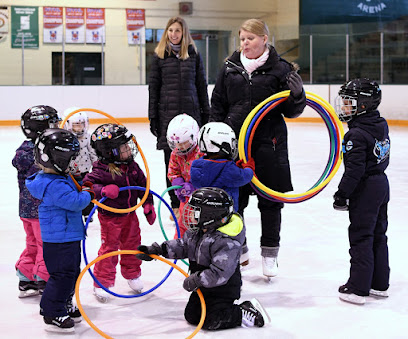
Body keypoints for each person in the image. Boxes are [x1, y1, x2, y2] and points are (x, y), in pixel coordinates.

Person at [210, 18, 306, 278]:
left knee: (271, 203)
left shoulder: (281, 70)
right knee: (234, 203)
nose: (245, 43)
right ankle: (239, 248)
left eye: (250, 38)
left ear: (265, 39)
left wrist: (297, 97)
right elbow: (218, 103)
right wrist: (214, 135)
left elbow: (291, 111)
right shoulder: (229, 68)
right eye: (242, 39)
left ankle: (270, 254)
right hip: (235, 147)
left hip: (269, 146)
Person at [136, 187, 270, 330]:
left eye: (195, 212)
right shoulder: (199, 230)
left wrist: (197, 279)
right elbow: (183, 246)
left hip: (222, 288)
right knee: (192, 315)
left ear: (209, 215)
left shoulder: (226, 242)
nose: (190, 215)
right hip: (203, 285)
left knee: (213, 320)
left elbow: (220, 273)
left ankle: (242, 312)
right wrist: (157, 250)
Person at [26, 128, 93, 333]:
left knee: (72, 273)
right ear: (57, 160)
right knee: (62, 275)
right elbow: (74, 202)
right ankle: (52, 312)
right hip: (59, 240)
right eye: (70, 159)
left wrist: (83, 184)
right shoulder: (52, 185)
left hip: (67, 236)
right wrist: (90, 193)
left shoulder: (59, 179)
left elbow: (73, 191)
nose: (73, 163)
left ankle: (63, 303)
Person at [83, 123, 156, 303]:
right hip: (110, 217)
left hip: (130, 215)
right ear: (109, 152)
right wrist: (103, 190)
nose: (129, 150)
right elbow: (87, 186)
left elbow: (142, 185)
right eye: (123, 148)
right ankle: (102, 282)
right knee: (110, 249)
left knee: (133, 245)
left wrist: (147, 204)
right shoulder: (101, 170)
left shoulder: (132, 166)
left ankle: (132, 274)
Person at [333, 78, 390, 305]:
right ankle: (379, 284)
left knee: (361, 236)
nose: (344, 107)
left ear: (363, 105)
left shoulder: (355, 135)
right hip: (381, 185)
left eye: (349, 103)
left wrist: (342, 194)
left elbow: (354, 171)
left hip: (365, 189)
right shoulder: (380, 124)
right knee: (378, 234)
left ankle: (358, 288)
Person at [148, 16, 210, 221]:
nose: (174, 34)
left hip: (192, 115)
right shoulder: (159, 56)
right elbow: (154, 89)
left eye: (178, 31)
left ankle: (197, 199)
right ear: (166, 33)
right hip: (168, 116)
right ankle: (176, 204)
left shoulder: (193, 55)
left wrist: (206, 114)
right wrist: (153, 118)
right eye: (171, 30)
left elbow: (201, 85)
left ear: (184, 34)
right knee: (171, 163)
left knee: (196, 160)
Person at [190, 122, 255, 264]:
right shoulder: (227, 168)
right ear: (222, 145)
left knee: (208, 243)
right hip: (225, 217)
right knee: (230, 241)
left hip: (204, 217)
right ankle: (233, 263)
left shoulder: (197, 165)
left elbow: (214, 170)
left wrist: (234, 167)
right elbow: (243, 177)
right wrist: (249, 168)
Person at [13, 105, 60, 298]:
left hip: (26, 210)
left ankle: (26, 277)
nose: (57, 126)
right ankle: (44, 279)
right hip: (40, 211)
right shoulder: (39, 154)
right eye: (53, 123)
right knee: (44, 245)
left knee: (33, 243)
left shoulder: (26, 150)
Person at [166, 114, 203, 238]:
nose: (180, 146)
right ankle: (178, 246)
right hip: (185, 197)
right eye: (177, 143)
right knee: (182, 223)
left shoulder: (201, 152)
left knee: (199, 225)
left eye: (183, 143)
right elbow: (173, 170)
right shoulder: (176, 153)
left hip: (202, 199)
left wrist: (194, 185)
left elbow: (206, 174)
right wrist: (178, 182)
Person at [62, 107, 98, 221]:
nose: (79, 128)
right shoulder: (66, 138)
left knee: (87, 191)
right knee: (73, 192)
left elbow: (92, 152)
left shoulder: (88, 137)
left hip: (85, 171)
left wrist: (96, 165)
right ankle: (75, 211)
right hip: (71, 173)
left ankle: (88, 212)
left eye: (81, 124)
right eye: (76, 125)